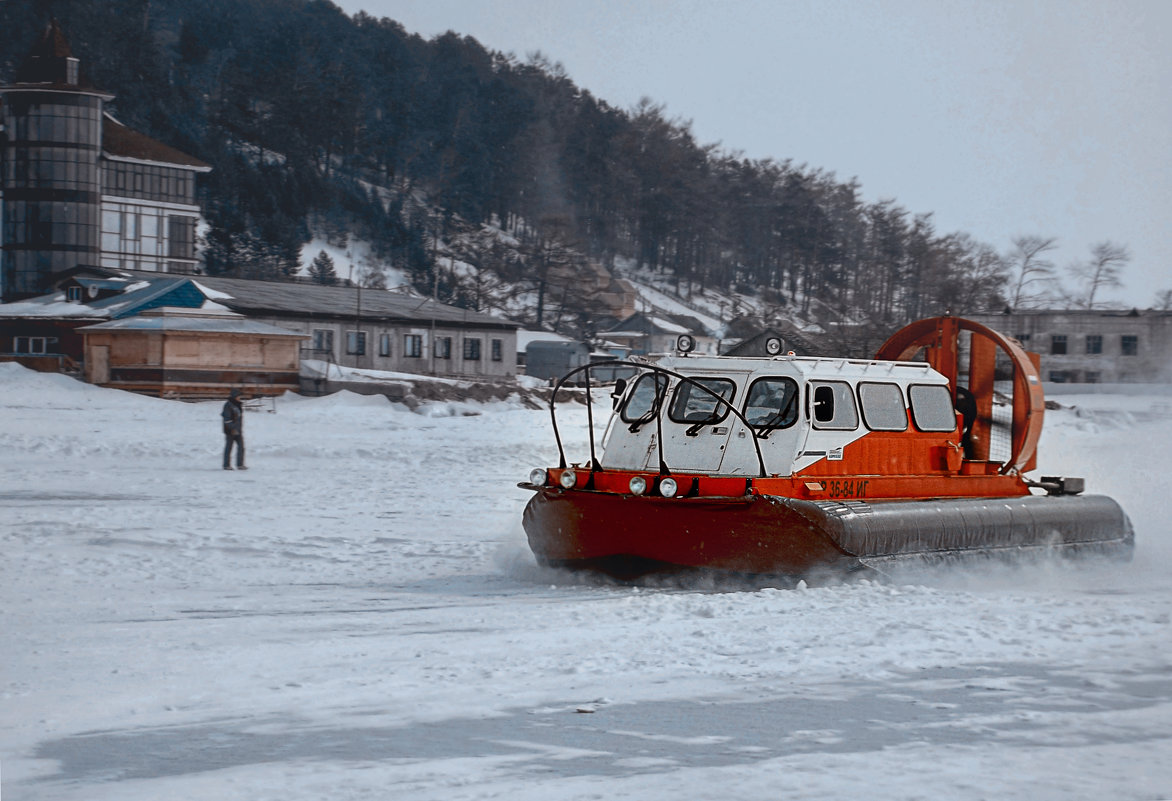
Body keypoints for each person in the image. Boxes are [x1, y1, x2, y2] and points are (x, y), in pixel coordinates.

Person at [222, 389, 246, 470]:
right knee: (229, 447)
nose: (240, 398)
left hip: (238, 430)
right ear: (235, 396)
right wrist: (233, 428)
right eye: (239, 396)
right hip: (230, 431)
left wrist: (238, 429)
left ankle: (240, 464)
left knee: (241, 447)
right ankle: (226, 465)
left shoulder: (238, 405)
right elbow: (227, 420)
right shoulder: (228, 405)